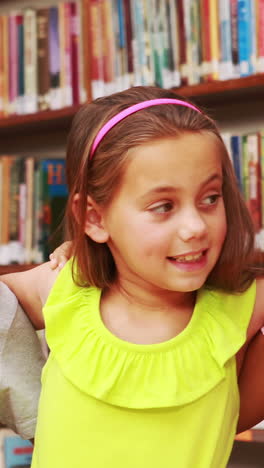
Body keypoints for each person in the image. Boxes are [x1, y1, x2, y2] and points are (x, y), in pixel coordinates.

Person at [2, 86, 264, 467]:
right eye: (163, 206)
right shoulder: (63, 285)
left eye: (210, 197)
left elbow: (236, 415)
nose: (194, 226)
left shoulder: (242, 308)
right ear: (94, 217)